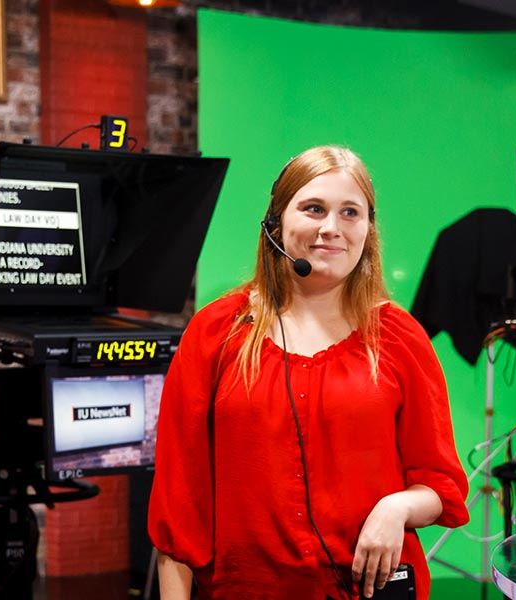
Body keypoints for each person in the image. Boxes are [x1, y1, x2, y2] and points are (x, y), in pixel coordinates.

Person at [149, 146, 469, 599]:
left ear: (368, 229)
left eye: (350, 213)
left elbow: (441, 484)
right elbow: (179, 509)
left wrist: (397, 508)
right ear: (276, 223)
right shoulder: (215, 333)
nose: (331, 229)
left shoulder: (399, 337)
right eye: (313, 208)